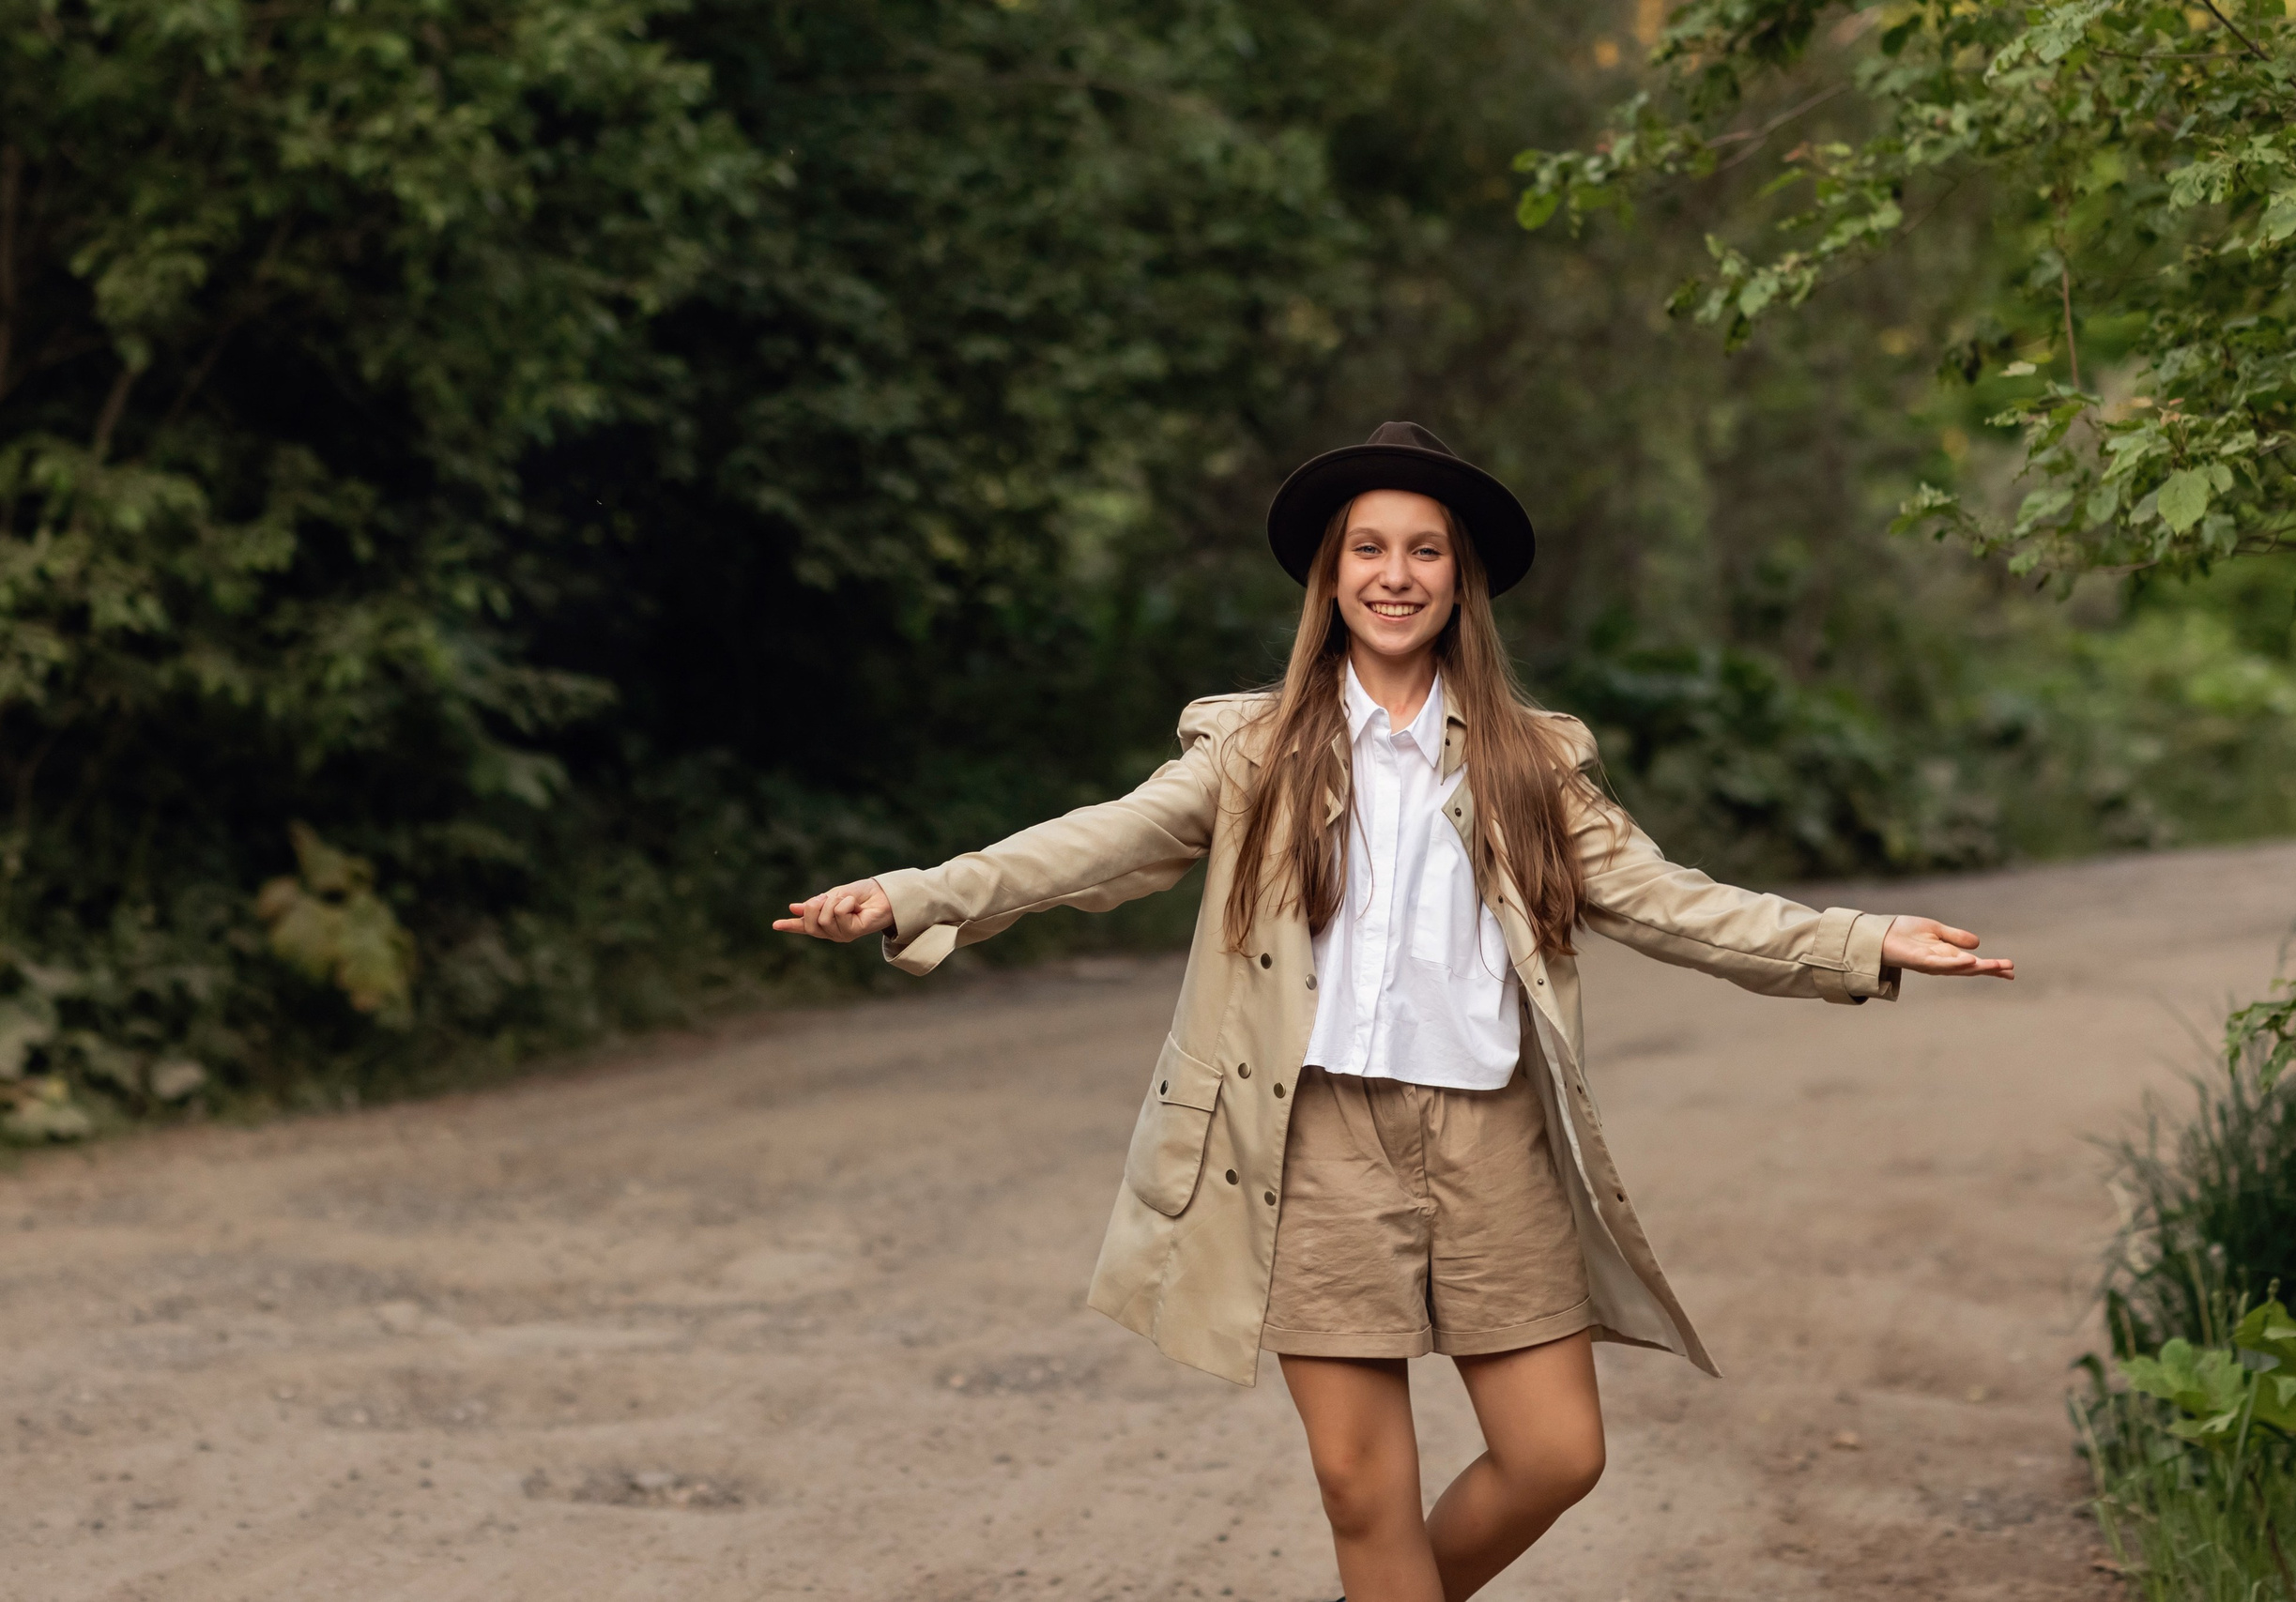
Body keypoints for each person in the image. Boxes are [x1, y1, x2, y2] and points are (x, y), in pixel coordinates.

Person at [774, 421, 2013, 1602]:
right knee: (1362, 1489)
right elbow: (1092, 844)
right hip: (1312, 1141)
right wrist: (915, 892)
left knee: (1556, 1455)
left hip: (1493, 1142)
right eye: (1368, 548)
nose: (1395, 575)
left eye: (1425, 551)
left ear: (1461, 581)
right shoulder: (1252, 752)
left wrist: (1858, 940)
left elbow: (1672, 904)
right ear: (1332, 574)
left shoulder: (1531, 765)